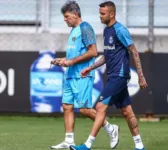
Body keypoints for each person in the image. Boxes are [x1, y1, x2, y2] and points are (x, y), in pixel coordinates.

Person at [70, 1, 148, 150]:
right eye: (100, 13)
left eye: (103, 13)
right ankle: (139, 146)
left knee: (100, 107)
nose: (100, 16)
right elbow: (106, 56)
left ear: (112, 14)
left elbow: (134, 51)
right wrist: (90, 68)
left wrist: (141, 76)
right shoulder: (107, 31)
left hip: (119, 75)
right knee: (126, 111)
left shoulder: (120, 30)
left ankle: (88, 145)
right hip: (113, 75)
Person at [50, 1, 119, 149]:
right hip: (70, 75)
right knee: (67, 106)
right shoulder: (73, 30)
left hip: (82, 75)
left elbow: (93, 52)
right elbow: (75, 55)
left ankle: (110, 128)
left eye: (67, 16)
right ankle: (69, 141)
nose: (65, 19)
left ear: (75, 14)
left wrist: (72, 61)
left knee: (84, 109)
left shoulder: (85, 28)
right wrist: (63, 60)